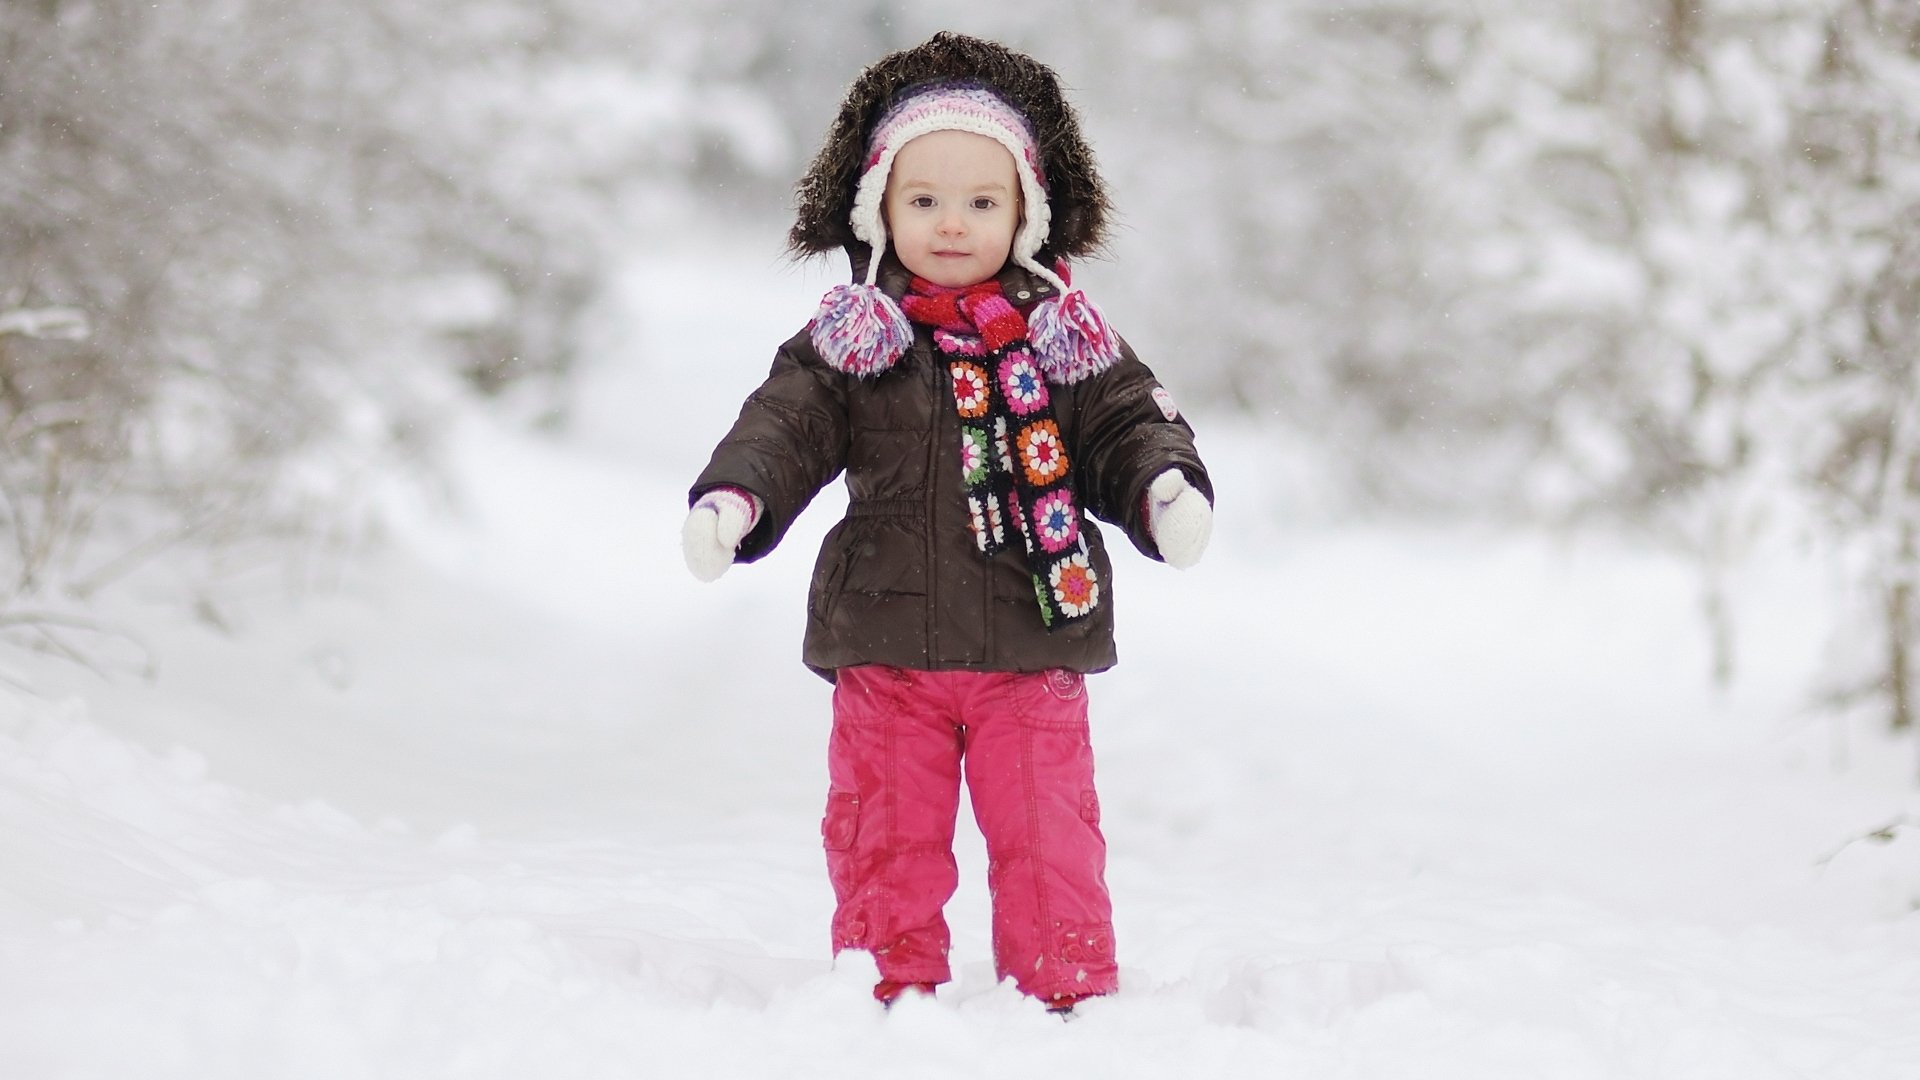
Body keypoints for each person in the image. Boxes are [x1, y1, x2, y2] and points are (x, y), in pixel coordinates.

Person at [682, 31, 1213, 1015]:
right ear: (879, 209)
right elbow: (787, 426)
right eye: (925, 201)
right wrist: (739, 496)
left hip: (1032, 639)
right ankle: (886, 979)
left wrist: (1163, 487)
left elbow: (1123, 425)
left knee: (1049, 829)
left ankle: (1064, 983)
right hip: (887, 643)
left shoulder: (1066, 338)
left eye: (983, 201)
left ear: (1028, 212)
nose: (955, 225)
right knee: (885, 826)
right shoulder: (851, 341)